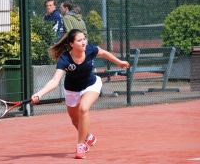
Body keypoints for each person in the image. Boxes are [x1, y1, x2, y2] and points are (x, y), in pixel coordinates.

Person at [30, 29, 129, 159]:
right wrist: (39, 94)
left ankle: (80, 145)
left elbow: (104, 52)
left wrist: (119, 62)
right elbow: (55, 81)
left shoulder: (90, 49)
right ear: (71, 44)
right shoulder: (64, 58)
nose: (83, 42)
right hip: (72, 90)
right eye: (79, 40)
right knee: (75, 121)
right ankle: (89, 137)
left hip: (91, 85)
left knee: (83, 109)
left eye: (84, 39)